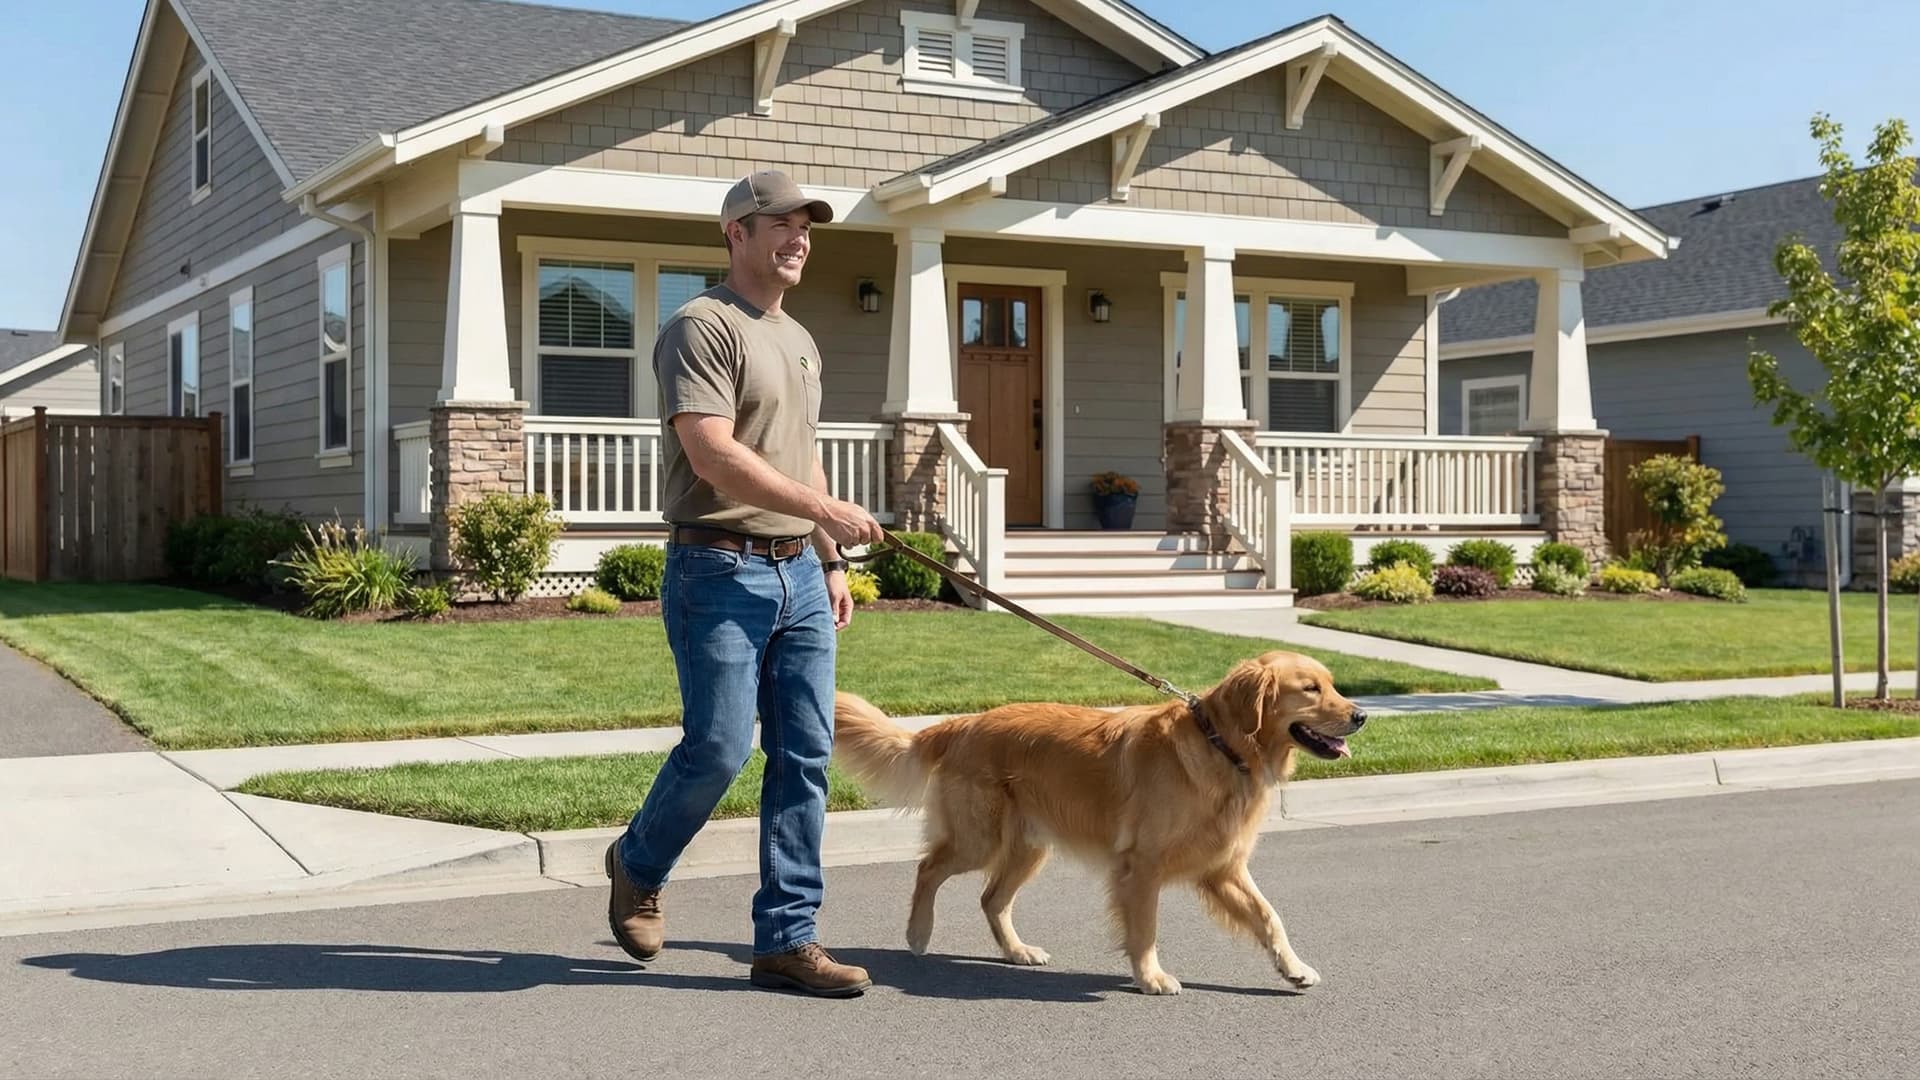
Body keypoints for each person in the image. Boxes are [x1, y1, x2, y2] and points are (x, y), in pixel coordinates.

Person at [604, 170, 887, 998]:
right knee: (720, 746)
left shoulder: (797, 339)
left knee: (806, 755)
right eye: (783, 225)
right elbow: (713, 453)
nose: (799, 239)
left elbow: (798, 451)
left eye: (808, 228)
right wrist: (825, 507)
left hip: (798, 573)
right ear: (737, 232)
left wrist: (828, 553)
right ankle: (638, 861)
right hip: (716, 568)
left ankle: (787, 941)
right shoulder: (703, 326)